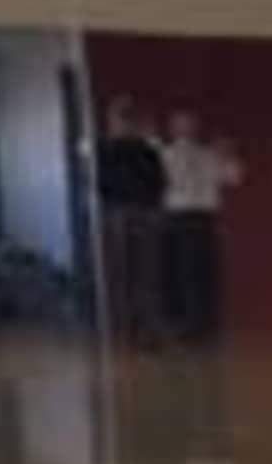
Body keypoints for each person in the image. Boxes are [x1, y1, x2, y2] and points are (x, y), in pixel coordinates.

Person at [158, 109, 246, 348]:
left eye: (189, 125)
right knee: (186, 274)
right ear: (173, 129)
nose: (186, 130)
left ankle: (202, 328)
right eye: (182, 125)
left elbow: (234, 178)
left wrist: (229, 154)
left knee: (202, 272)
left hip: (199, 218)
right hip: (182, 217)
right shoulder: (165, 155)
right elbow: (161, 187)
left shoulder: (208, 154)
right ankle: (189, 327)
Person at [93, 97, 169, 349]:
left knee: (149, 273)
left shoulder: (148, 150)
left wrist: (153, 204)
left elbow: (160, 180)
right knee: (122, 273)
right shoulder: (105, 149)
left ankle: (149, 330)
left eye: (128, 119)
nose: (124, 123)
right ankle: (125, 331)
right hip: (119, 213)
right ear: (112, 122)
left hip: (146, 212)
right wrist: (113, 206)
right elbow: (101, 184)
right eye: (119, 118)